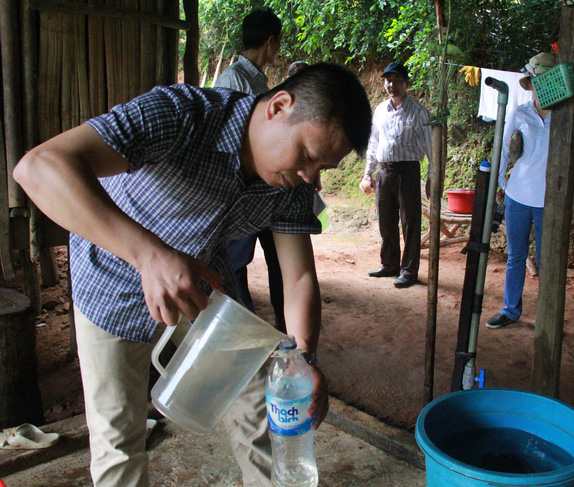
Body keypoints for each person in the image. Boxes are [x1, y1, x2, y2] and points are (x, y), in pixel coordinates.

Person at [13, 63, 372, 486]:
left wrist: (303, 357)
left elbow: (297, 279)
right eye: (309, 156)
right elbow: (38, 167)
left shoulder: (290, 186)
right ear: (279, 106)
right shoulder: (180, 114)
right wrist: (150, 256)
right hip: (110, 288)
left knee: (260, 406)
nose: (310, 177)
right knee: (120, 443)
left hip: (201, 293)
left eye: (322, 169)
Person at [486, 52, 574, 328]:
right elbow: (504, 150)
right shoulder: (521, 113)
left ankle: (548, 316)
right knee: (516, 255)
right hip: (518, 195)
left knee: (547, 260)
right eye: (533, 80)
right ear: (529, 83)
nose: (537, 85)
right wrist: (496, 185)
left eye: (542, 80)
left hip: (550, 200)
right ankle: (510, 309)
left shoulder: (569, 117)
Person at [214, 8, 287, 331]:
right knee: (236, 265)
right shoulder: (233, 80)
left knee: (280, 264)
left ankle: (285, 331)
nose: (278, 50)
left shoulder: (256, 79)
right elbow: (232, 141)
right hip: (242, 193)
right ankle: (243, 333)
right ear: (270, 41)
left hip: (266, 190)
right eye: (278, 43)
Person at [359, 62, 433, 289]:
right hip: (384, 172)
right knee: (386, 221)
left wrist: (432, 176)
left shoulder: (420, 113)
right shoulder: (380, 110)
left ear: (407, 83)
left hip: (408, 172)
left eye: (398, 80)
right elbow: (373, 143)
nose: (392, 85)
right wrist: (368, 173)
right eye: (388, 80)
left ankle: (409, 270)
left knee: (410, 222)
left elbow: (433, 147)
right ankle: (389, 264)